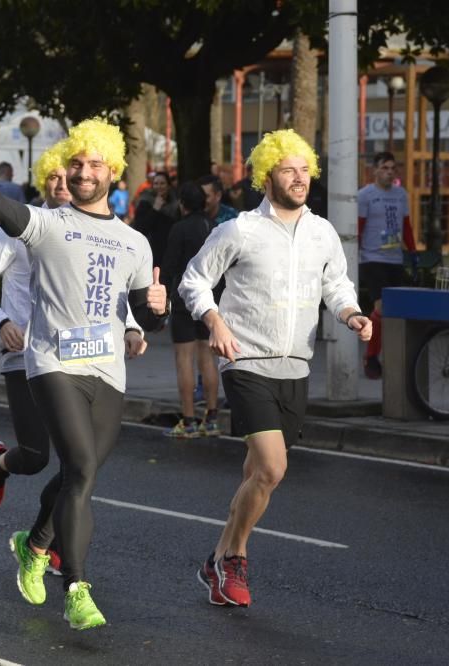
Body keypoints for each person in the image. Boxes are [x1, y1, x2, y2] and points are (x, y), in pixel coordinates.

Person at [0, 118, 168, 630]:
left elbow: (144, 311)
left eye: (94, 164)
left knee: (80, 474)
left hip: (107, 372)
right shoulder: (47, 223)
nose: (84, 171)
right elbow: (4, 212)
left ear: (112, 170)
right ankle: (76, 586)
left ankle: (34, 543)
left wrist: (155, 311)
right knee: (80, 467)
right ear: (66, 170)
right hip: (52, 363)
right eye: (77, 163)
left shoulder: (135, 242)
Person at [179, 129, 371, 608]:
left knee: (254, 476)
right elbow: (194, 281)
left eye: (305, 169)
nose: (300, 178)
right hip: (245, 361)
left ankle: (216, 558)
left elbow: (337, 286)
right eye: (289, 170)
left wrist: (351, 314)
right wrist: (215, 322)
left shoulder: (322, 232)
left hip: (296, 366)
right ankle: (236, 558)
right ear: (267, 177)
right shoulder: (240, 229)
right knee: (271, 468)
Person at [160, 182, 221, 439]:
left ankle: (188, 419)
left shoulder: (180, 228)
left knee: (184, 359)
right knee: (207, 358)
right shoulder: (215, 228)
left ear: (183, 204)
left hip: (185, 298)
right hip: (211, 298)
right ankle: (212, 417)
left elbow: (170, 266)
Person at [357, 151, 416, 379]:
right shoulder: (365, 195)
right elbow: (359, 227)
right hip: (372, 259)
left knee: (391, 313)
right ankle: (371, 356)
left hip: (394, 259)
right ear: (375, 170)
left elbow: (407, 225)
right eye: (385, 168)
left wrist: (412, 252)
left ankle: (386, 355)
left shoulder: (401, 195)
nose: (389, 172)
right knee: (382, 308)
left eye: (393, 168)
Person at [132, 171, 179, 268]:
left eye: (162, 183)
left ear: (168, 185)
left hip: (169, 251)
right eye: (156, 183)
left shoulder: (175, 203)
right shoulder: (145, 202)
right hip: (150, 250)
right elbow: (140, 228)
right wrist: (155, 209)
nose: (159, 186)